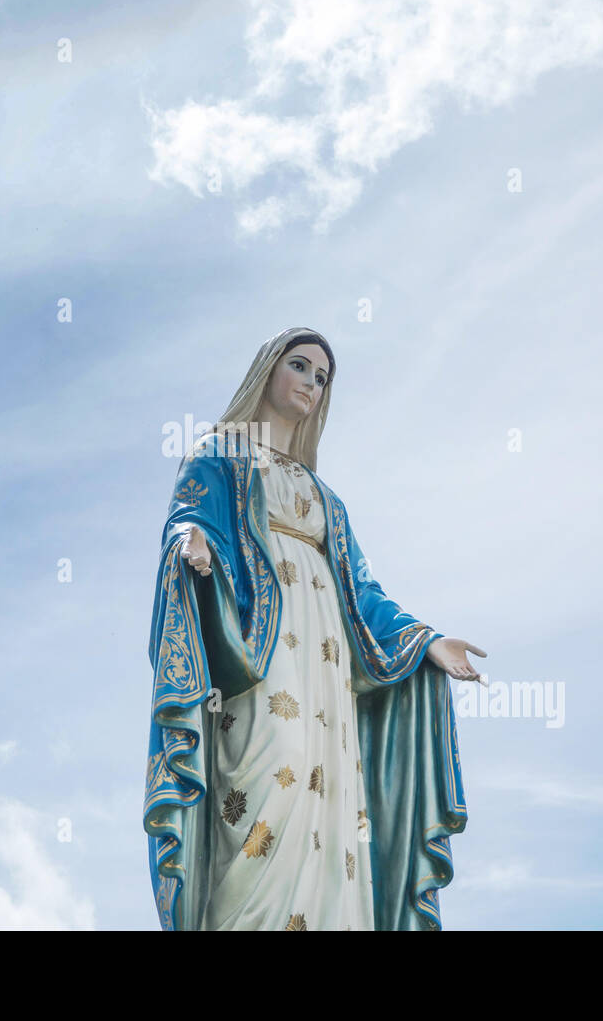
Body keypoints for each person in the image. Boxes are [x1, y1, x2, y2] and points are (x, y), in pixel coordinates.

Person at [145, 326, 485, 930]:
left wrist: (427, 641)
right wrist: (192, 541)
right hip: (263, 644)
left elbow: (365, 594)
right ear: (268, 371)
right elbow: (191, 513)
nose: (310, 383)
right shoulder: (221, 451)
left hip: (327, 664)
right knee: (279, 768)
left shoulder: (326, 498)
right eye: (299, 366)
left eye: (321, 377)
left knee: (331, 803)